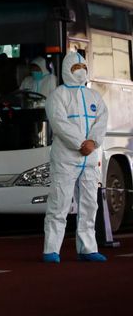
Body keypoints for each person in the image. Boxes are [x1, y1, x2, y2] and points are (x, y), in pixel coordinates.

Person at [42, 51, 108, 263]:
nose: (80, 72)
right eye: (75, 68)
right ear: (66, 70)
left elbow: (102, 120)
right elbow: (59, 124)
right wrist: (81, 143)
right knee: (59, 204)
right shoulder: (58, 95)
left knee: (89, 205)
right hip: (66, 159)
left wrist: (93, 142)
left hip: (89, 161)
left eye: (83, 68)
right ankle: (51, 250)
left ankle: (88, 248)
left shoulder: (94, 96)